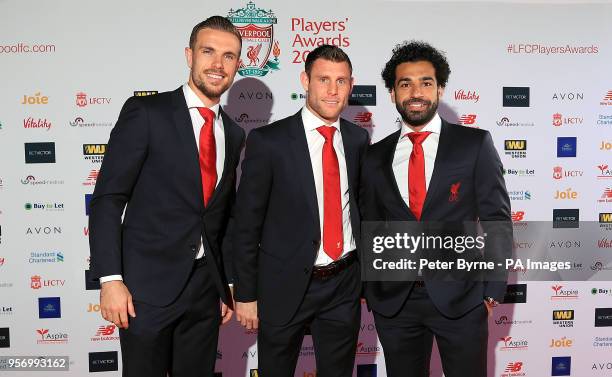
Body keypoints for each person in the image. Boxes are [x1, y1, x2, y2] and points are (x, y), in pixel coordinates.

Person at [88, 16, 245, 377]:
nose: (217, 65)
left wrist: (229, 283)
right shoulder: (146, 113)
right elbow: (108, 199)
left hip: (205, 290)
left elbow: (225, 216)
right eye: (208, 52)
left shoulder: (234, 133)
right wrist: (110, 279)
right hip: (145, 292)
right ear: (189, 55)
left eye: (229, 56)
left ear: (237, 64)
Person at [361, 41, 511, 377]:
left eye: (426, 82)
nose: (416, 92)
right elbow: (368, 226)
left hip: (461, 299)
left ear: (440, 88)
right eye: (405, 84)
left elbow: (496, 219)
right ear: (392, 93)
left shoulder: (474, 144)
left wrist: (492, 290)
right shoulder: (375, 156)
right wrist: (372, 290)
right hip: (395, 304)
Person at [231, 44, 369, 377]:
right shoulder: (268, 142)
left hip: (343, 284)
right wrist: (246, 293)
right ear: (305, 80)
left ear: (351, 84)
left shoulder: (357, 139)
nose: (333, 90)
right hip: (283, 284)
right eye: (323, 79)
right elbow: (246, 223)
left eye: (341, 81)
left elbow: (361, 209)